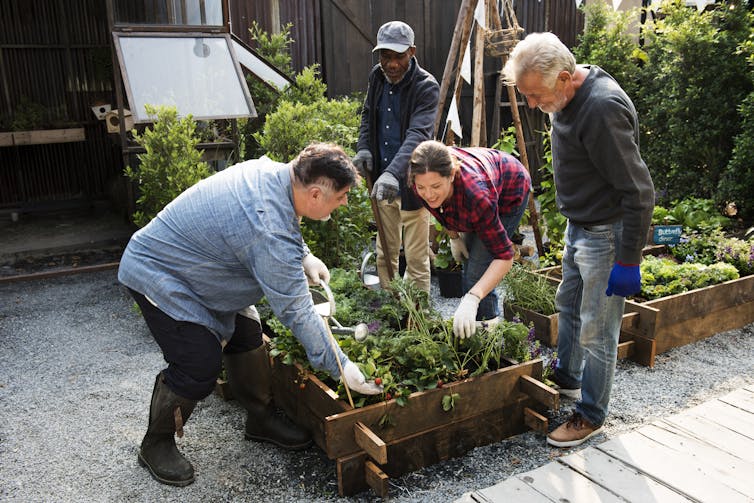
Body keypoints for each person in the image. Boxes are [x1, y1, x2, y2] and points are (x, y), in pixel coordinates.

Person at [118, 143, 382, 487]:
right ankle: (156, 442)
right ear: (315, 194)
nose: (345, 202)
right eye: (342, 196)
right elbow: (296, 310)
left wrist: (303, 255)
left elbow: (282, 220)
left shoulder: (274, 174)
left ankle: (259, 418)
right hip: (162, 273)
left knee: (247, 334)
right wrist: (341, 365)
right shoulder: (267, 229)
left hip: (205, 267)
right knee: (199, 364)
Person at [502, 32, 655, 447]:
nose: (533, 105)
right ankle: (566, 379)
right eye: (525, 95)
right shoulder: (563, 94)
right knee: (566, 305)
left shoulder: (601, 109)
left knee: (598, 330)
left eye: (536, 96)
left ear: (567, 78)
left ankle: (591, 415)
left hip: (606, 235)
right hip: (579, 226)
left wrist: (628, 260)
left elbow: (639, 192)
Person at [408, 140, 531, 339]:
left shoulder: (476, 196)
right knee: (471, 265)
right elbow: (440, 210)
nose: (428, 194)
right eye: (422, 187)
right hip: (484, 183)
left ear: (451, 175)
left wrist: (472, 298)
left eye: (436, 186)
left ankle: (487, 335)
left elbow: (505, 256)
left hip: (510, 187)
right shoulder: (420, 182)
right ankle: (473, 327)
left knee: (476, 272)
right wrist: (454, 236)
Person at [352, 20, 440, 293]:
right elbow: (368, 114)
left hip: (414, 183)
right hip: (381, 181)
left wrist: (393, 172)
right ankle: (391, 313)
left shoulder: (426, 86)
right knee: (384, 253)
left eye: (398, 56)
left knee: (415, 258)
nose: (391, 64)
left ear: (412, 52)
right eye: (385, 56)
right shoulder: (376, 77)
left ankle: (418, 317)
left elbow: (417, 135)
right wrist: (364, 146)